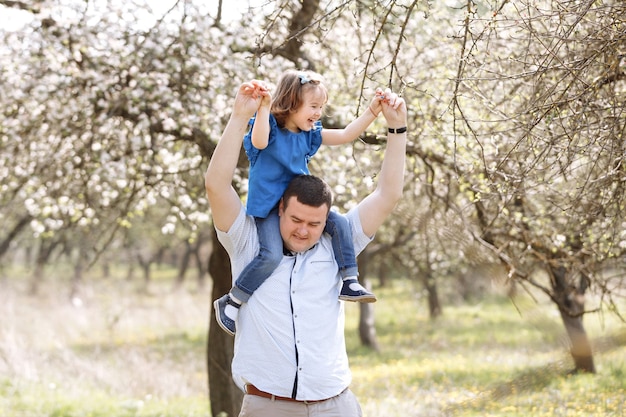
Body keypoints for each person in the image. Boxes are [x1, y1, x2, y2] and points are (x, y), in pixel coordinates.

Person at [204, 78, 407, 416]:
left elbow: (388, 195)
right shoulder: (248, 241)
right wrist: (241, 116)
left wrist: (396, 130)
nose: (304, 231)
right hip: (268, 407)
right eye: (296, 220)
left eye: (314, 224)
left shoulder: (338, 244)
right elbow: (216, 184)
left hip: (336, 405)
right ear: (280, 207)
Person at [213, 70, 383, 336]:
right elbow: (258, 140)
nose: (318, 113)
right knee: (271, 255)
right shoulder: (268, 128)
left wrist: (373, 111)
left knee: (338, 223)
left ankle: (349, 280)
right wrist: (264, 107)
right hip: (270, 209)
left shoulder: (310, 134)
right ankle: (233, 300)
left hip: (297, 204)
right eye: (314, 106)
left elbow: (347, 134)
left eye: (321, 107)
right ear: (292, 103)